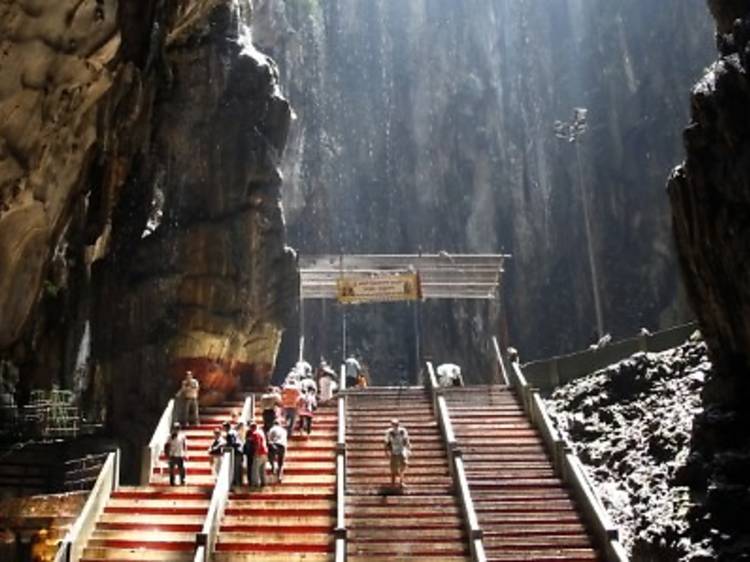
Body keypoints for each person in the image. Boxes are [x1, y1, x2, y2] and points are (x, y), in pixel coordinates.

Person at [384, 418, 410, 488]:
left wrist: (408, 449)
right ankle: (393, 483)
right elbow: (386, 441)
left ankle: (401, 482)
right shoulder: (389, 432)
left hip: (402, 450)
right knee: (393, 468)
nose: (395, 425)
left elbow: (406, 440)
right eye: (394, 424)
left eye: (396, 424)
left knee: (403, 466)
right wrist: (386, 451)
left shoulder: (402, 431)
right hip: (394, 451)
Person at [248, 422, 269, 488]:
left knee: (255, 469)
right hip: (264, 453)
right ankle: (264, 482)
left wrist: (256, 452)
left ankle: (256, 483)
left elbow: (257, 443)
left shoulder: (255, 433)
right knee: (262, 469)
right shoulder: (261, 432)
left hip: (259, 453)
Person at [223, 421, 243, 487]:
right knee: (238, 468)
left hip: (236, 452)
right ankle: (239, 482)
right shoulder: (234, 432)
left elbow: (232, 443)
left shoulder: (230, 433)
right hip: (240, 451)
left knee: (236, 468)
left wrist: (226, 446)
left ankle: (236, 483)